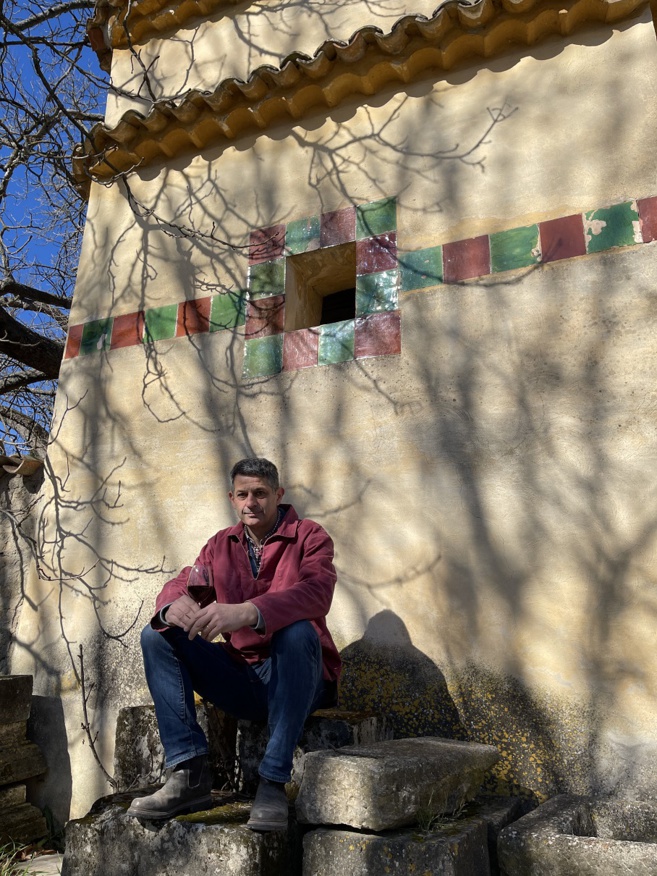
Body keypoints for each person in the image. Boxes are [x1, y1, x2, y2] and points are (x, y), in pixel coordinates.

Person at [127, 457, 340, 831]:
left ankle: (272, 782)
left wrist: (248, 611)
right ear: (232, 498)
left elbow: (317, 592)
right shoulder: (220, 545)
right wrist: (171, 606)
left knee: (297, 632)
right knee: (156, 633)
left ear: (278, 494)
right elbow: (185, 582)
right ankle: (188, 774)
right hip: (241, 675)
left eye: (260, 493)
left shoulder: (309, 536)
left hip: (299, 676)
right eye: (243, 494)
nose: (251, 503)